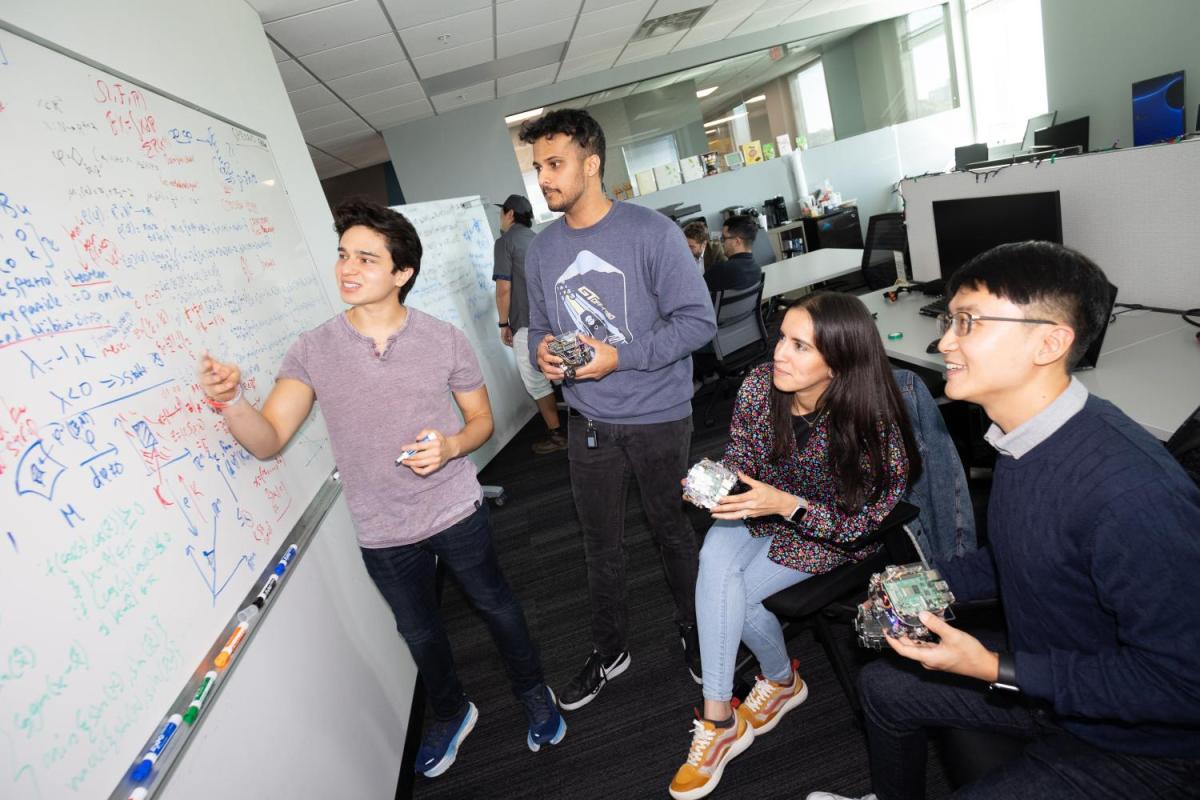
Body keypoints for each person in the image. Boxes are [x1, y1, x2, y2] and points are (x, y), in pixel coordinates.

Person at [808, 242, 1200, 800]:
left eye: (967, 322)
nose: (944, 341)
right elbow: (1026, 552)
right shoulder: (1022, 439)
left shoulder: (1129, 496)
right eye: (950, 321)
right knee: (883, 687)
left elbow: (1182, 686)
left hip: (1144, 750)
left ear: (1050, 341)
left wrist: (994, 666)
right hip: (1052, 683)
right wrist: (929, 582)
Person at [198, 199, 566, 780]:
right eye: (344, 255)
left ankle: (532, 690)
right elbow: (267, 439)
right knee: (419, 633)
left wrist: (448, 447)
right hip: (383, 530)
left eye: (366, 258)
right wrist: (231, 402)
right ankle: (451, 711)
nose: (348, 268)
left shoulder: (442, 339)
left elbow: (480, 424)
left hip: (454, 509)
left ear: (402, 273)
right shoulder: (312, 349)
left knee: (498, 607)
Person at [670, 292, 920, 800]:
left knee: (729, 592)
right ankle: (723, 715)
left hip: (823, 531)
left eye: (800, 346)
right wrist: (719, 482)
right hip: (761, 509)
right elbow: (742, 455)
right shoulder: (762, 386)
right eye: (782, 336)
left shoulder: (874, 425)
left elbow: (861, 522)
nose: (779, 352)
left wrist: (787, 506)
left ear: (839, 362)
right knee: (714, 562)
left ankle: (776, 685)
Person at [519, 108, 718, 709]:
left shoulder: (651, 232)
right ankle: (611, 649)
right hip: (590, 421)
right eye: (538, 168)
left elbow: (699, 322)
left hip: (659, 415)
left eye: (555, 164)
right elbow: (535, 329)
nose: (545, 178)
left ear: (591, 163)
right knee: (598, 543)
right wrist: (544, 352)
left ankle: (695, 630)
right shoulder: (541, 250)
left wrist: (619, 358)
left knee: (672, 533)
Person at [491, 193, 566, 455]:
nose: (500, 218)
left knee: (535, 380)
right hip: (553, 318)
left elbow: (503, 288)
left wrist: (503, 323)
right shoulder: (536, 240)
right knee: (561, 369)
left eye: (502, 213)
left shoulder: (505, 243)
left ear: (510, 214)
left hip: (526, 323)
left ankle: (556, 434)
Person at [704, 215, 762, 294]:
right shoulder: (757, 270)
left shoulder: (719, 270)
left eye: (724, 238)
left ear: (737, 242)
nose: (721, 242)